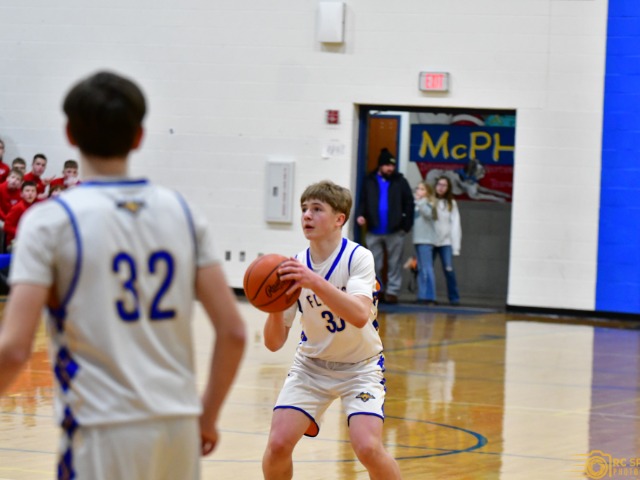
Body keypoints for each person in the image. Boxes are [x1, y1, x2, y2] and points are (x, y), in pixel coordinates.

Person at [0, 71, 247, 479]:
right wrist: (207, 415)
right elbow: (234, 332)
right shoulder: (182, 213)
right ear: (139, 137)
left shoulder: (50, 222)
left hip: (101, 430)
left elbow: (13, 350)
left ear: (69, 133)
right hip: (177, 430)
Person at [262, 180, 402, 480]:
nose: (307, 215)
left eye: (317, 209)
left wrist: (314, 282)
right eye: (304, 209)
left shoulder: (358, 258)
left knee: (368, 448)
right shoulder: (294, 266)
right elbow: (273, 343)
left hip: (360, 368)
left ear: (339, 219)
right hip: (311, 367)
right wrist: (274, 305)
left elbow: (360, 315)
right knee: (277, 445)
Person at [356, 147, 414, 304]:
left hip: (395, 230)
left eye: (392, 165)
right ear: (380, 165)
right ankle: (377, 290)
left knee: (394, 263)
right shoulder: (369, 180)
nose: (390, 168)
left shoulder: (400, 181)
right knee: (374, 263)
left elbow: (409, 203)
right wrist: (360, 215)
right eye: (388, 165)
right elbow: (363, 200)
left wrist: (405, 226)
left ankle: (392, 292)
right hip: (373, 229)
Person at [432, 175, 462, 305]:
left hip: (446, 242)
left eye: (444, 185)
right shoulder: (430, 201)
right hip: (430, 242)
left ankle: (454, 298)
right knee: (427, 270)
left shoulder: (451, 204)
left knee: (449, 270)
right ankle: (428, 297)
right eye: (439, 184)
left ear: (448, 188)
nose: (441, 187)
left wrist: (456, 247)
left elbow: (455, 225)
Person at [412, 181, 438, 305]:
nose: (418, 191)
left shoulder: (428, 203)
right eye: (418, 188)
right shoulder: (417, 204)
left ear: (427, 192)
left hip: (426, 240)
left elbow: (427, 214)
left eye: (422, 189)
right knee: (421, 268)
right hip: (418, 239)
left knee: (427, 268)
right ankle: (422, 295)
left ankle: (430, 296)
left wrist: (419, 201)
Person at [3, 180, 37, 249]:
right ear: (21, 194)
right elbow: (7, 226)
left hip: (29, 240)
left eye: (33, 191)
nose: (30, 193)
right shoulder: (17, 207)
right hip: (15, 242)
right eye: (27, 191)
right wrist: (22, 232)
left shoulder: (35, 207)